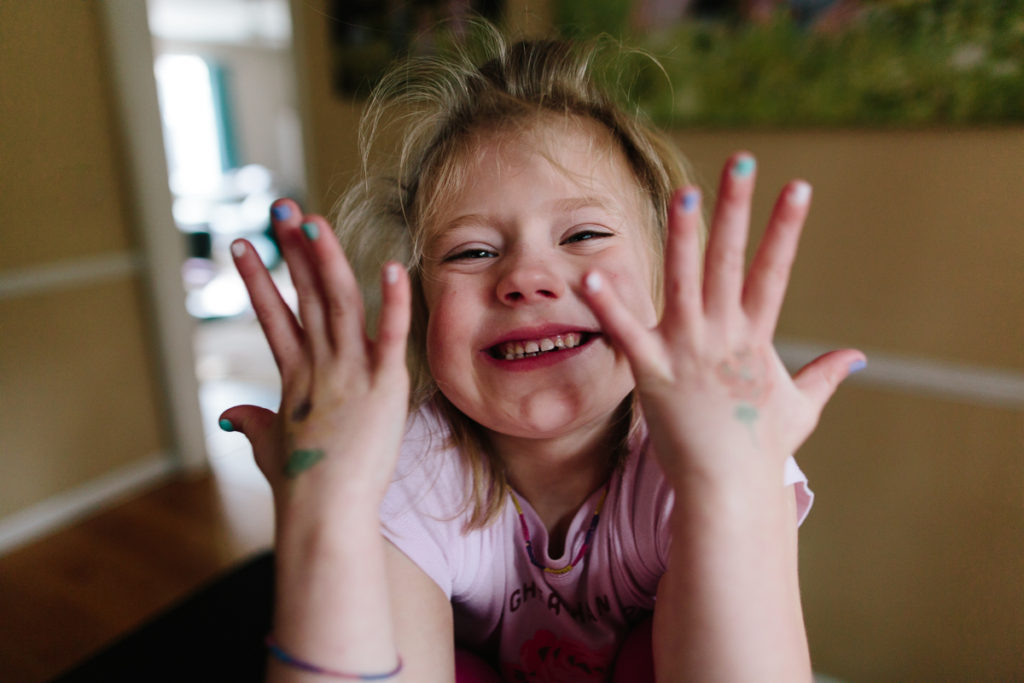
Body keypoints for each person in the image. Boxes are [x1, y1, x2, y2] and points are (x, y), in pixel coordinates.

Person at [219, 22, 865, 682]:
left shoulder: (705, 453)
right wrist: (333, 512)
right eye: (473, 251)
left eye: (582, 234)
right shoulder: (407, 463)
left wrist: (733, 486)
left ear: (666, 286)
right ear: (422, 307)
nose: (526, 277)